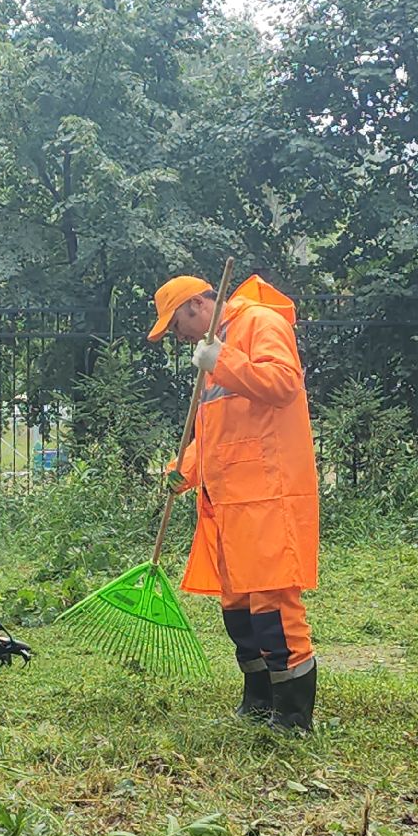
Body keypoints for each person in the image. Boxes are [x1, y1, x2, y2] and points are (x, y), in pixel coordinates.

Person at [154, 273, 321, 730]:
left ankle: (293, 714)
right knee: (239, 608)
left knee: (272, 605)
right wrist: (180, 473)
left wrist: (222, 359)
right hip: (227, 499)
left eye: (174, 325)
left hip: (266, 493)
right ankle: (260, 697)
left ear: (195, 306)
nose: (177, 336)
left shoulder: (261, 322)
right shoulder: (217, 349)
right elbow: (212, 433)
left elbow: (284, 384)